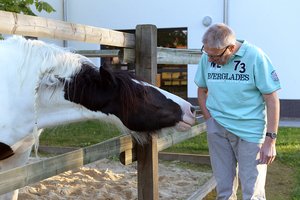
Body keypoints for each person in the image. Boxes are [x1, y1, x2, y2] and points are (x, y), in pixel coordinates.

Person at [194, 23, 281, 200]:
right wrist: (210, 120)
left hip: (250, 133)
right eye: (207, 53)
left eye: (214, 56)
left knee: (252, 193)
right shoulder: (208, 56)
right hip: (218, 130)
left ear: (231, 48)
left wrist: (270, 140)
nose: (210, 60)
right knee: (224, 191)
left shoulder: (255, 56)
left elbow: (271, 98)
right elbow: (202, 90)